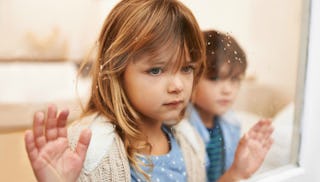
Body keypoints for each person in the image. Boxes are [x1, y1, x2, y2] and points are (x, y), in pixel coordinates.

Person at [24, 1, 273, 182]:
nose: (178, 85)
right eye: (156, 70)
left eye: (186, 68)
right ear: (117, 71)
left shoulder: (188, 140)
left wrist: (235, 174)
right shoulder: (94, 150)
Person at [188, 29, 271, 182]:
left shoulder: (231, 123)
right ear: (190, 77)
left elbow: (231, 171)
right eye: (215, 79)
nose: (227, 90)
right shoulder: (182, 130)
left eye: (234, 79)